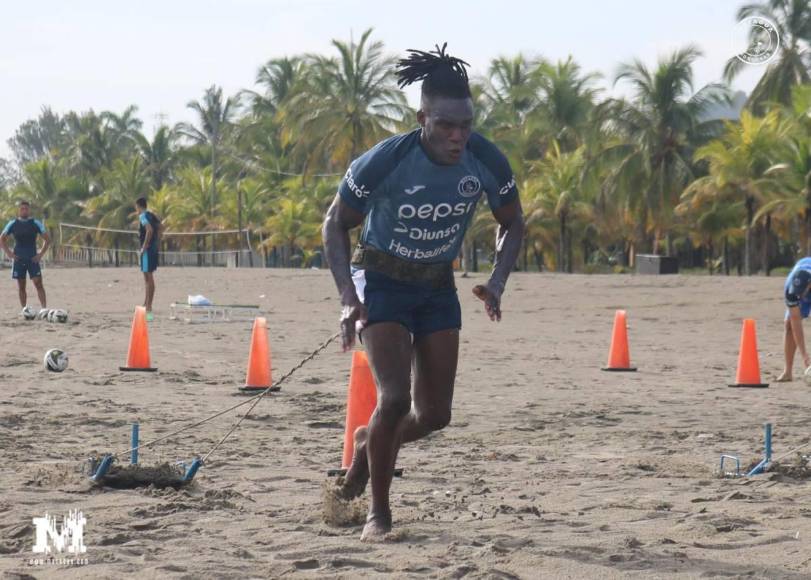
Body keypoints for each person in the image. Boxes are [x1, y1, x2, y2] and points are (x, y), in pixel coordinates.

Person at [322, 43, 524, 541]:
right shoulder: (385, 162)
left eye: (466, 126)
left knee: (434, 415)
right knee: (393, 399)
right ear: (422, 118)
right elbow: (335, 224)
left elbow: (513, 222)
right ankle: (378, 513)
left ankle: (369, 445)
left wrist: (497, 280)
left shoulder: (485, 160)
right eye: (446, 126)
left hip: (436, 286)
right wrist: (349, 297)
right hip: (382, 281)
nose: (458, 137)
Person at [1, 200, 50, 312]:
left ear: (29, 210)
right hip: (19, 259)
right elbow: (2, 239)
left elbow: (47, 239)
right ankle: (24, 310)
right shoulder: (13, 223)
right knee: (21, 286)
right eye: (22, 208)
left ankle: (44, 309)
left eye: (26, 209)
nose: (24, 210)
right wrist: (9, 253)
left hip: (32, 258)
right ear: (19, 210)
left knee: (38, 283)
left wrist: (40, 254)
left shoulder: (35, 223)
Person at [777, 257, 811, 382]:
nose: (799, 295)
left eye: (801, 292)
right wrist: (805, 356)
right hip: (803, 270)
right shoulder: (790, 291)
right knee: (788, 325)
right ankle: (788, 372)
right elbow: (795, 320)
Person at [135, 197, 162, 322]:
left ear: (139, 206)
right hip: (153, 249)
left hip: (147, 250)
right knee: (147, 278)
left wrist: (144, 246)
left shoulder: (142, 216)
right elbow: (161, 227)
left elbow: (149, 230)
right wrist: (158, 242)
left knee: (148, 277)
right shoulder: (152, 215)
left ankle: (149, 309)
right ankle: (146, 304)